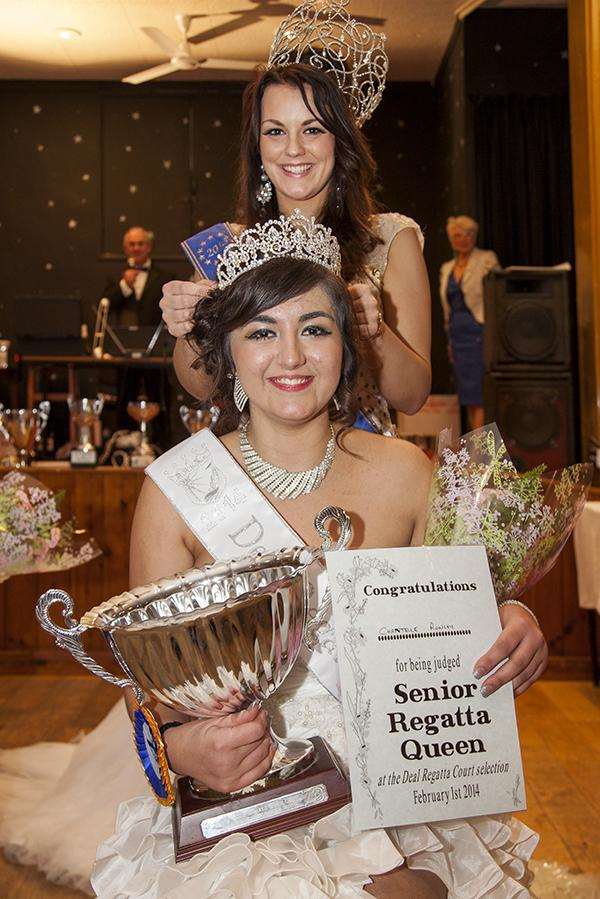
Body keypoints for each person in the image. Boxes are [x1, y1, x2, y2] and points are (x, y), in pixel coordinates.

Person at [90, 215, 542, 897]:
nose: (292, 355)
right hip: (244, 803)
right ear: (230, 354)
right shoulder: (177, 493)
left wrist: (507, 616)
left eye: (316, 328)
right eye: (262, 331)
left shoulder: (407, 473)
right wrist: (185, 750)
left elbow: (454, 624)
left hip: (395, 783)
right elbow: (146, 692)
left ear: (347, 346)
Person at [160, 2, 432, 435]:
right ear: (258, 147)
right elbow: (201, 385)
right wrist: (186, 326)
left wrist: (372, 329)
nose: (293, 150)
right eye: (275, 131)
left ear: (339, 141)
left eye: (312, 129)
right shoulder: (227, 247)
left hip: (359, 461)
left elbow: (413, 396)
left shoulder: (390, 240)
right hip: (258, 468)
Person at [439, 216, 499, 431]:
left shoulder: (486, 259)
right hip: (457, 335)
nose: (463, 239)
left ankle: (479, 449)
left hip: (478, 332)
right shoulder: (447, 268)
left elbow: (495, 295)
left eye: (468, 234)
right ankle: (474, 440)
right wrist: (449, 341)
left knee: (478, 394)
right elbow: (448, 307)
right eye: (457, 235)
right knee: (467, 394)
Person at [103, 226, 175, 327]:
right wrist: (125, 285)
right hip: (122, 338)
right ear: (125, 248)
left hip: (155, 337)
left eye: (141, 244)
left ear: (149, 247)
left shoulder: (165, 277)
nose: (136, 248)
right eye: (132, 244)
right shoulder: (114, 276)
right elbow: (105, 308)